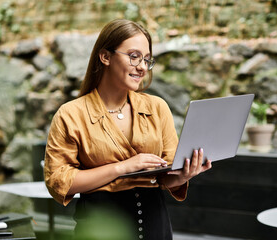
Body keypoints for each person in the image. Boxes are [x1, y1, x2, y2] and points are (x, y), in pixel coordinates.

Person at [44, 19, 212, 240]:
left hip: (156, 227)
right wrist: (123, 168)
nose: (142, 67)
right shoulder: (71, 114)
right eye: (134, 56)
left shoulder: (157, 107)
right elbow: (59, 182)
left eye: (147, 60)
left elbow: (165, 179)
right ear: (105, 56)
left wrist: (183, 175)